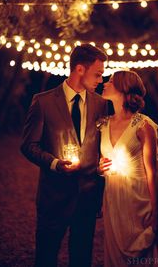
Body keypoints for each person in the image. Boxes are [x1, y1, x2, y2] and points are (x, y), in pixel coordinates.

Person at [21, 44, 108, 267]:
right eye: (98, 74)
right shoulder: (43, 102)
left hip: (87, 197)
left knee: (81, 258)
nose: (101, 79)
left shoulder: (100, 104)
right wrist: (54, 163)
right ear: (80, 69)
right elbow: (29, 145)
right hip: (53, 196)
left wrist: (103, 163)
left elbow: (101, 145)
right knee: (46, 258)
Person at [99, 70, 158, 267]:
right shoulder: (102, 124)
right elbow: (99, 160)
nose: (104, 83)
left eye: (110, 81)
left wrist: (156, 212)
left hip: (138, 197)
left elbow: (152, 171)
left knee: (145, 255)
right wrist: (99, 167)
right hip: (113, 196)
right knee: (116, 250)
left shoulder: (143, 126)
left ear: (123, 88)